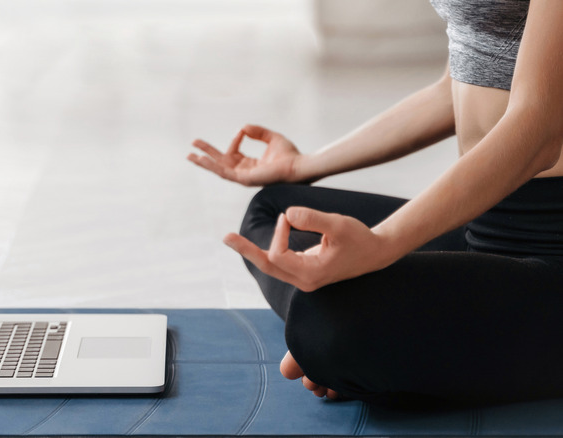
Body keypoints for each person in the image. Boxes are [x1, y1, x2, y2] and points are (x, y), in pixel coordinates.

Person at [188, 0, 563, 407]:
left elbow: (538, 131)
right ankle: (350, 339)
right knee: (276, 213)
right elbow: (449, 88)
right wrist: (303, 165)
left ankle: (335, 332)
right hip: (483, 222)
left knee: (326, 320)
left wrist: (381, 245)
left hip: (551, 246)